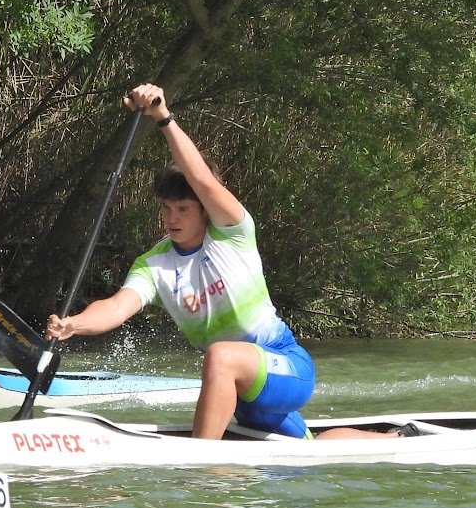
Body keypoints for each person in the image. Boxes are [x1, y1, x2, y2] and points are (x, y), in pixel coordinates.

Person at [46, 83, 397, 441]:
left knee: (220, 355)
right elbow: (116, 307)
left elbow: (201, 180)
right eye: (166, 208)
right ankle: (392, 439)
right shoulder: (154, 265)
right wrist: (76, 323)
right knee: (307, 450)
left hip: (287, 366)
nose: (172, 218)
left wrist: (163, 118)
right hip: (241, 392)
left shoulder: (232, 233)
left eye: (183, 208)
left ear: (204, 209)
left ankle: (201, 464)